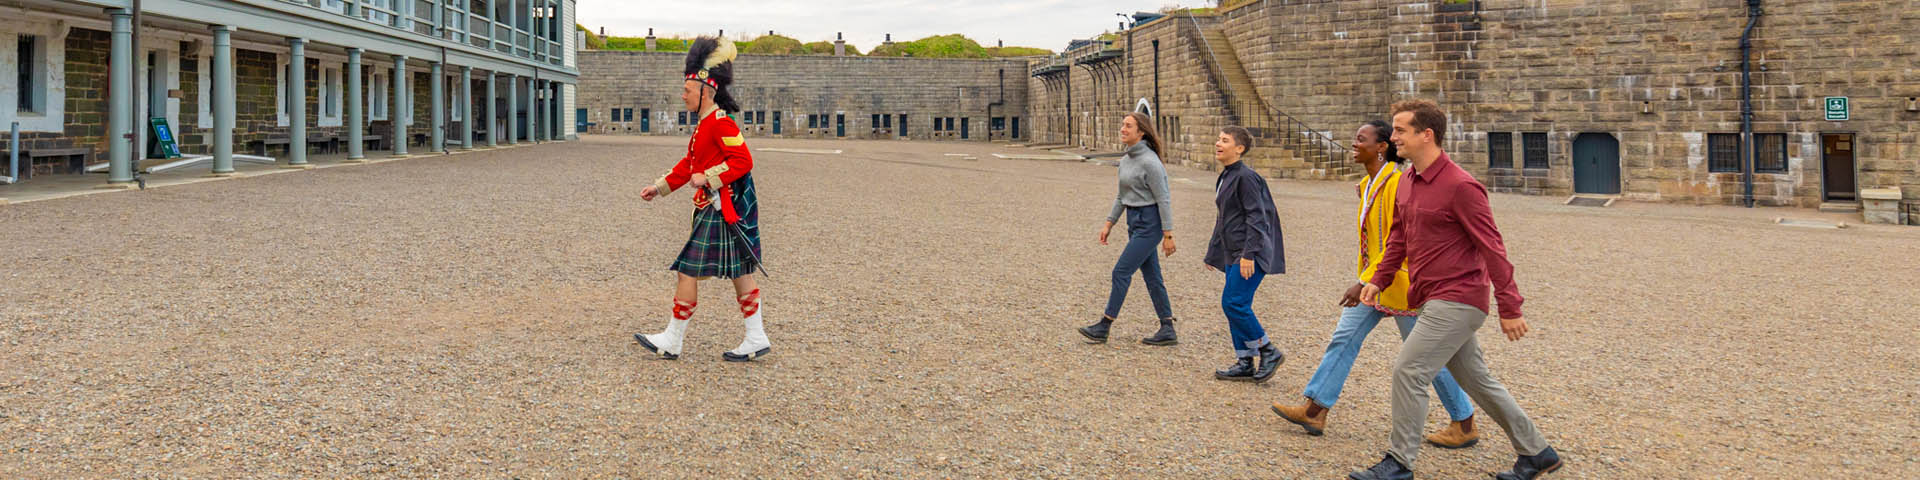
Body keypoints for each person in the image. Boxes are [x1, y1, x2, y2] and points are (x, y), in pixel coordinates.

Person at [1348, 100, 1560, 480]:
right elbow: (1399, 238)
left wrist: (1510, 306)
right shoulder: (1408, 180)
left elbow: (1493, 248)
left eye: (1400, 130)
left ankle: (1399, 464)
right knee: (1476, 379)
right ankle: (1538, 452)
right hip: (1429, 297)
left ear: (1425, 135)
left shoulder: (1462, 186)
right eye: (1393, 130)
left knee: (1409, 371)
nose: (1392, 137)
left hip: (1459, 298)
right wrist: (1377, 279)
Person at [1271, 120, 1480, 448]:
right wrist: (1366, 279)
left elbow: (1406, 240)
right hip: (1374, 283)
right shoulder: (1370, 184)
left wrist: (1368, 279)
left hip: (1403, 285)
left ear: (1381, 147)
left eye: (1360, 139)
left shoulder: (1398, 183)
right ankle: (1315, 409)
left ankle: (1464, 421)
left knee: (1427, 358)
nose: (1354, 144)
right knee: (1344, 337)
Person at [634, 37, 772, 362]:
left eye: (687, 91)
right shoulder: (704, 125)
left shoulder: (720, 123)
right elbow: (689, 165)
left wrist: (708, 178)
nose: (682, 95)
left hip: (717, 206)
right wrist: (660, 186)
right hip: (715, 207)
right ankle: (756, 336)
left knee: (686, 271)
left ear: (705, 92)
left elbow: (743, 161)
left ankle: (672, 339)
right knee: (740, 270)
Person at [1078, 112, 1179, 346]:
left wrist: (1168, 234)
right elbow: (1122, 196)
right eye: (1122, 125)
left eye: (1128, 126)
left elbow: (1164, 199)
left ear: (1141, 132)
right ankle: (1167, 327)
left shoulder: (1150, 162)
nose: (1123, 129)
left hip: (1150, 223)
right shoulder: (1126, 160)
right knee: (1152, 276)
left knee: (1121, 271)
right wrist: (1108, 223)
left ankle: (1104, 325)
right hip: (1134, 221)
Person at [1201, 127, 1284, 382]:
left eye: (1225, 140)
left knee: (1233, 302)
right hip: (1232, 251)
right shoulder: (1226, 176)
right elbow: (1224, 218)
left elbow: (1257, 217)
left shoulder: (1247, 177)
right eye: (1218, 139)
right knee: (1237, 304)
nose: (1218, 143)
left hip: (1249, 252)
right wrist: (1212, 253)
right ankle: (1245, 361)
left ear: (1240, 148)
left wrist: (1249, 254)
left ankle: (1268, 350)